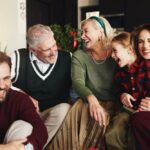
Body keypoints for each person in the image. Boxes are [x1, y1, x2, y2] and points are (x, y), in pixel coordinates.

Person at [46, 16, 120, 150]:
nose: (83, 36)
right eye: (82, 33)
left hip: (114, 103)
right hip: (89, 101)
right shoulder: (79, 55)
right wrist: (92, 100)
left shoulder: (116, 52)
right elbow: (78, 82)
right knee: (90, 119)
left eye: (86, 31)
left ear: (100, 32)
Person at [11, 24, 72, 146]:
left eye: (54, 45)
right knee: (23, 127)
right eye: (47, 49)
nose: (54, 52)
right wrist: (25, 96)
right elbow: (3, 83)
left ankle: (33, 146)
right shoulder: (18, 57)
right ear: (33, 50)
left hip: (51, 115)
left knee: (64, 108)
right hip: (26, 116)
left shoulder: (67, 58)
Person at [108, 31, 150, 150]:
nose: (112, 55)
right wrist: (122, 95)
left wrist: (141, 109)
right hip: (127, 111)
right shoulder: (120, 71)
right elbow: (116, 89)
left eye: (115, 51)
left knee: (133, 135)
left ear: (130, 50)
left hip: (144, 111)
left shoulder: (146, 65)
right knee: (114, 132)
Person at [0, 51, 48, 150]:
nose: (2, 85)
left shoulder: (19, 99)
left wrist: (25, 147)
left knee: (24, 127)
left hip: (12, 144)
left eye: (6, 78)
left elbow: (41, 130)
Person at [129, 24, 150, 150]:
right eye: (141, 42)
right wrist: (123, 95)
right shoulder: (136, 66)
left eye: (149, 41)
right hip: (142, 113)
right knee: (137, 119)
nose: (145, 46)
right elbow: (126, 88)